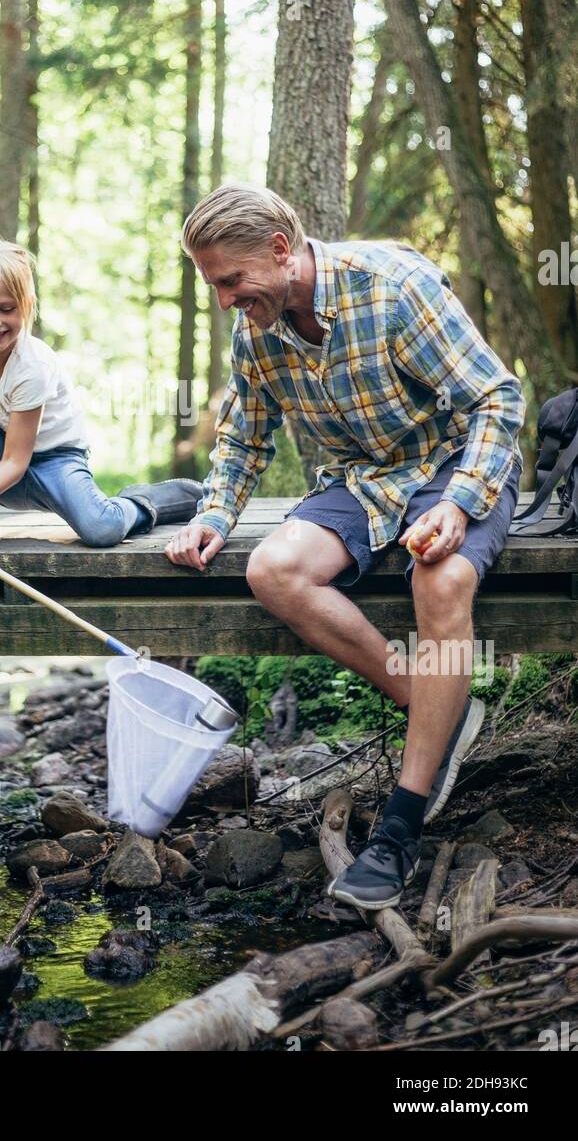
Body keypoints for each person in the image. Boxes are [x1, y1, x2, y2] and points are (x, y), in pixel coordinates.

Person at [165, 183, 525, 910]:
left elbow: (497, 400)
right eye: (214, 286)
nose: (226, 299)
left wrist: (459, 504)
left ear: (279, 249)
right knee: (273, 569)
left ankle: (399, 828)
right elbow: (243, 436)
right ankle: (439, 710)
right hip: (366, 481)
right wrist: (214, 516)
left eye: (232, 281)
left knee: (441, 582)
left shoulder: (394, 287)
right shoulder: (256, 332)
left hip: (457, 462)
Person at [0, 237, 201, 549]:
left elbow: (17, 462)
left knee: (103, 528)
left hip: (53, 460)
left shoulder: (32, 365)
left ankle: (149, 500)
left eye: (6, 309)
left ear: (27, 305)